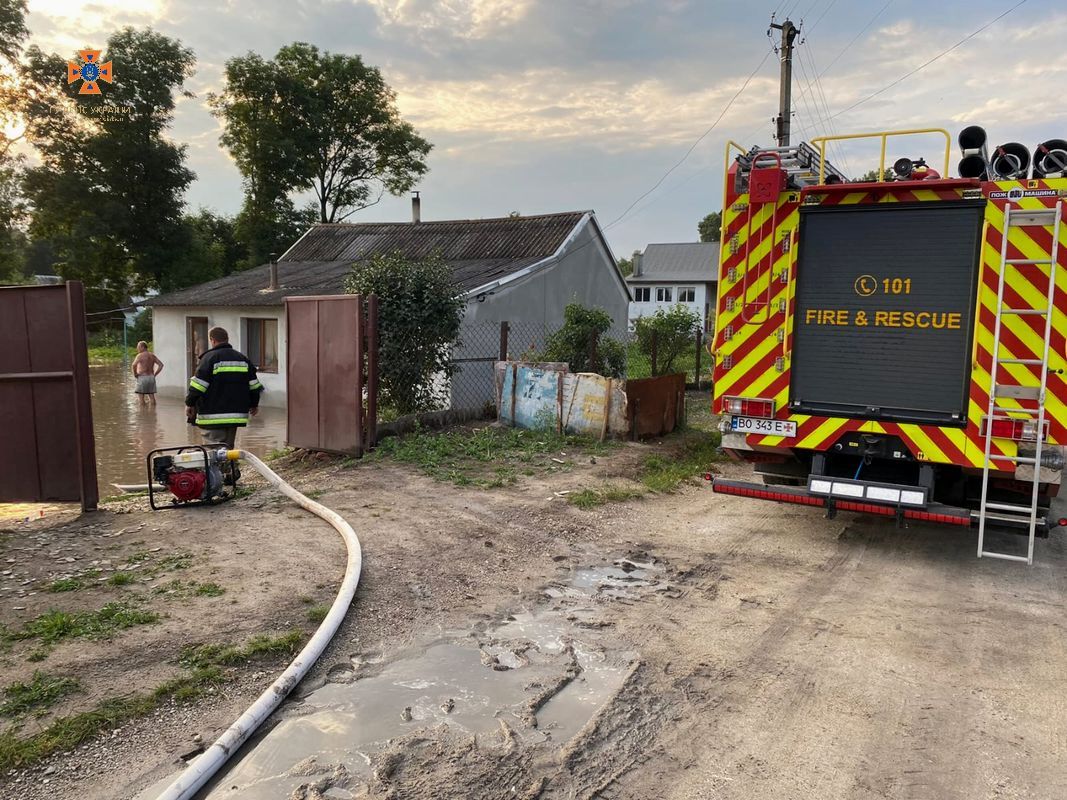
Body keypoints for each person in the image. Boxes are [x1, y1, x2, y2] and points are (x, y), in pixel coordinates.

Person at [185, 326, 263, 448]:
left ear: (212, 340)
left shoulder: (209, 359)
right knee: (228, 450)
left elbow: (198, 386)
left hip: (212, 415)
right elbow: (254, 385)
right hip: (236, 415)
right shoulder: (242, 359)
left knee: (214, 450)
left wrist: (189, 403)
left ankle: (220, 467)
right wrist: (254, 404)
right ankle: (229, 467)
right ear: (227, 339)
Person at [132, 341, 164, 406]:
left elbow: (133, 365)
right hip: (151, 377)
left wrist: (135, 374)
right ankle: (153, 413)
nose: (137, 349)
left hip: (142, 377)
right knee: (151, 396)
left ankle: (143, 414)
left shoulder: (140, 355)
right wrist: (155, 374)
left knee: (141, 397)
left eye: (138, 347)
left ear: (143, 347)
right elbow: (161, 365)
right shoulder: (152, 355)